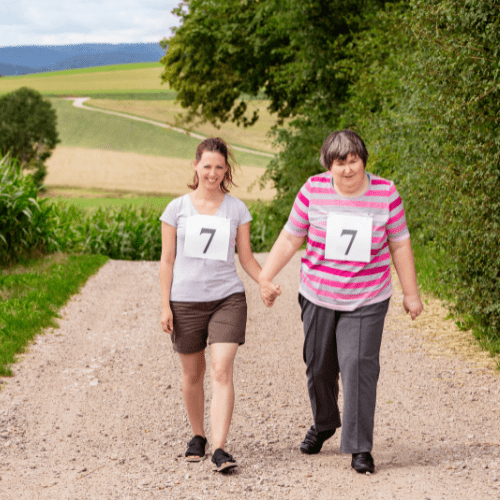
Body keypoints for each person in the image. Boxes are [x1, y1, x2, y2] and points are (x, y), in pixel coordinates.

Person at [259, 130, 423, 474]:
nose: (347, 169)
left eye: (354, 160)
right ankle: (324, 422)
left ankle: (360, 447)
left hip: (368, 296)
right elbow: (291, 237)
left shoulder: (386, 193)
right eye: (339, 162)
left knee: (358, 367)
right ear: (328, 165)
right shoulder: (313, 190)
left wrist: (411, 294)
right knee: (319, 365)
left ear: (363, 160)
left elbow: (400, 244)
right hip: (319, 293)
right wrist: (265, 276)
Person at [159, 137, 262, 472]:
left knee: (220, 369)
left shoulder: (237, 209)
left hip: (227, 299)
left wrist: (265, 280)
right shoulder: (176, 209)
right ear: (195, 166)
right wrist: (165, 305)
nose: (213, 173)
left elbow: (245, 258)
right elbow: (167, 260)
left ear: (226, 170)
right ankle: (198, 435)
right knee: (192, 374)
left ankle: (219, 448)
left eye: (220, 167)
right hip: (185, 301)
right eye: (207, 166)